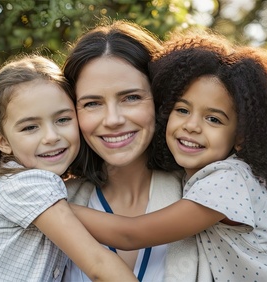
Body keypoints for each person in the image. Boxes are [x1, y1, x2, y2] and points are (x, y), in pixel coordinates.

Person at [70, 32, 267, 281]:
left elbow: (131, 234)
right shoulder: (200, 178)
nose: (192, 126)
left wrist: (52, 206)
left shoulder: (228, 180)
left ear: (242, 135)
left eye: (214, 119)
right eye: (182, 110)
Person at [0, 54, 137, 282]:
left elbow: (121, 231)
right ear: (2, 141)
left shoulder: (34, 188)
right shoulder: (26, 184)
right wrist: (187, 210)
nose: (51, 137)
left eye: (62, 120)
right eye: (30, 127)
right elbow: (101, 261)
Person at [61, 20, 201, 282]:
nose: (112, 119)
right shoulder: (51, 199)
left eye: (131, 97)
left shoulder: (204, 194)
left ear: (161, 100)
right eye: (92, 103)